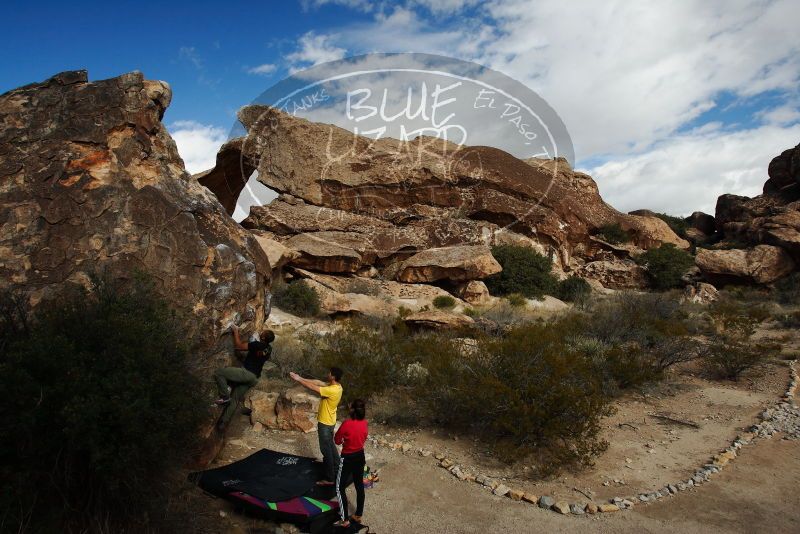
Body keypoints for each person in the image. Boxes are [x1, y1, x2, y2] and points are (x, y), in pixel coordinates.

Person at [214, 325, 274, 430]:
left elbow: (238, 346)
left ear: (264, 338)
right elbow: (257, 353)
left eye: (263, 333)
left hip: (246, 373)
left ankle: (225, 396)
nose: (261, 332)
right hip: (254, 378)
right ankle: (223, 423)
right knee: (235, 399)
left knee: (219, 373)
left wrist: (236, 331)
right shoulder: (269, 348)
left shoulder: (256, 345)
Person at [289, 367, 343, 486]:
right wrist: (300, 377)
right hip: (330, 421)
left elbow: (313, 387)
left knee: (326, 450)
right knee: (330, 446)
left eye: (329, 373)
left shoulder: (331, 390)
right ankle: (338, 468)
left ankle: (329, 478)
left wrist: (298, 380)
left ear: (333, 376)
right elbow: (318, 382)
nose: (327, 374)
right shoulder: (337, 387)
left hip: (325, 423)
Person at [333, 399, 368, 528]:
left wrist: (344, 441)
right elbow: (363, 437)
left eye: (350, 405)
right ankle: (358, 515)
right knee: (359, 485)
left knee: (339, 487)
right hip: (360, 456)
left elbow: (337, 440)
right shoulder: (365, 423)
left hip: (347, 457)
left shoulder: (346, 423)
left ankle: (344, 519)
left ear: (352, 410)